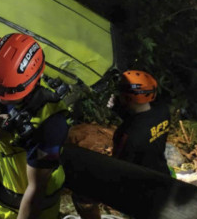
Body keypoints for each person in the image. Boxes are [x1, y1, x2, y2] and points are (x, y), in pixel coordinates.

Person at [0, 33, 69, 219]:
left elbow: (35, 190)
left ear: (31, 82)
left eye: (7, 93)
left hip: (21, 211)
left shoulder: (50, 122)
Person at [73, 70, 171, 219]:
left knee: (82, 196)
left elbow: (118, 167)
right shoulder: (163, 112)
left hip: (138, 189)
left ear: (127, 98)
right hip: (161, 174)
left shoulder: (127, 134)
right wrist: (119, 108)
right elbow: (143, 120)